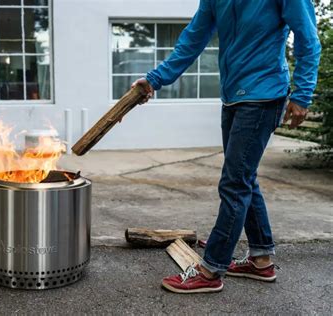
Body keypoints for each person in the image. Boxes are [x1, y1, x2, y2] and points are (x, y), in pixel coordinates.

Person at [132, 0, 321, 294]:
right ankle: (261, 260)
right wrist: (156, 79)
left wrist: (303, 94)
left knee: (234, 183)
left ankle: (211, 269)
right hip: (233, 96)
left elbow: (308, 39)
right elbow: (193, 38)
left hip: (264, 95)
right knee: (244, 178)